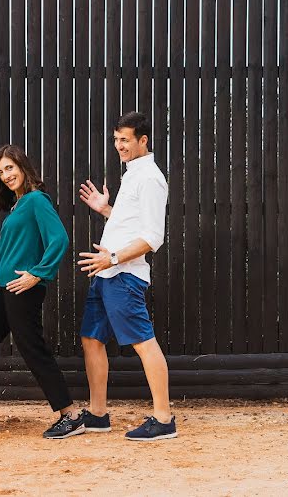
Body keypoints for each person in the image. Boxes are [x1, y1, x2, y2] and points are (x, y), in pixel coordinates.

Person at [0, 144, 83, 439]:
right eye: (1, 171)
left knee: (31, 346)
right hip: (6, 287)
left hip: (23, 288)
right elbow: (6, 253)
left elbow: (59, 239)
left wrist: (37, 274)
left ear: (23, 166)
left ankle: (70, 414)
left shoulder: (36, 200)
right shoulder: (17, 206)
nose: (6, 175)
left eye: (10, 167)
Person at [77, 111, 176, 441]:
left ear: (143, 140)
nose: (118, 145)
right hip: (106, 274)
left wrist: (114, 258)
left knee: (143, 342)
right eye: (116, 139)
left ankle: (163, 419)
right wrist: (107, 210)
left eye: (125, 140)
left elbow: (152, 237)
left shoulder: (150, 178)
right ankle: (97, 414)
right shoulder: (132, 173)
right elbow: (130, 222)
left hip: (123, 275)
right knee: (91, 339)